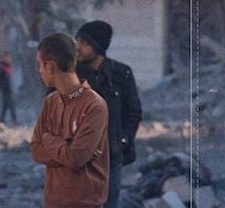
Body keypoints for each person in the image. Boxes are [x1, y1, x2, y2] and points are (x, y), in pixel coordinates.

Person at [31, 32, 110, 208]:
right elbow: (36, 151)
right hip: (53, 202)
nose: (40, 71)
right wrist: (68, 148)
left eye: (40, 65)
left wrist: (48, 139)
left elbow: (76, 158)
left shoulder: (94, 106)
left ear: (50, 66)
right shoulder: (51, 102)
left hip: (85, 203)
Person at [75, 20, 142, 208]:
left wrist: (124, 139)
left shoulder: (121, 74)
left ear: (98, 47)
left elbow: (133, 112)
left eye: (85, 43)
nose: (78, 47)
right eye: (77, 40)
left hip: (111, 160)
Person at [0, 50, 18, 129]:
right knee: (11, 105)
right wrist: (2, 87)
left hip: (9, 89)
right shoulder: (2, 68)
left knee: (5, 106)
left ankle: (1, 120)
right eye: (8, 58)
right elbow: (0, 80)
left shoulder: (8, 67)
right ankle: (14, 120)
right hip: (6, 90)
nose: (9, 59)